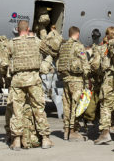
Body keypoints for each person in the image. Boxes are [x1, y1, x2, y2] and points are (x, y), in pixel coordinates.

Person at [7, 20, 53, 150]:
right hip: (34, 79)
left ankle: (16, 140)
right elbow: (49, 52)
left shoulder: (11, 43)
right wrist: (44, 66)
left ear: (17, 29)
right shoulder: (36, 41)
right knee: (38, 108)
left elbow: (4, 62)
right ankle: (45, 139)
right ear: (28, 29)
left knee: (17, 110)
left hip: (17, 80)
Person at [58, 26, 90, 141]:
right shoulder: (78, 46)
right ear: (78, 34)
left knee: (66, 106)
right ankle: (73, 131)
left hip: (66, 79)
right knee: (75, 106)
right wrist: (87, 80)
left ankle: (66, 131)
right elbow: (85, 63)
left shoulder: (63, 46)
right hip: (76, 80)